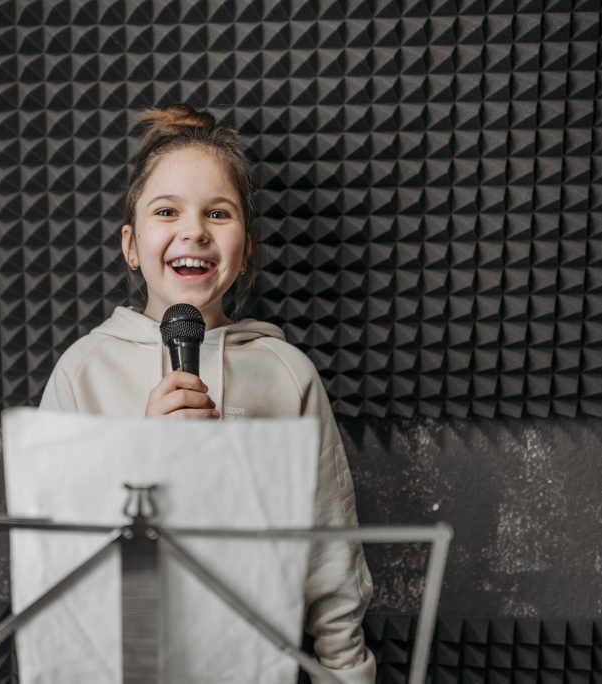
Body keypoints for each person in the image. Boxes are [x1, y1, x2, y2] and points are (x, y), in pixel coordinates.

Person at [40, 104, 375, 683]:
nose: (193, 229)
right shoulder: (83, 371)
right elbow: (51, 557)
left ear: (247, 250)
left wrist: (346, 672)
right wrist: (144, 457)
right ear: (130, 243)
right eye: (166, 210)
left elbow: (330, 555)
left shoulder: (286, 374)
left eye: (218, 213)